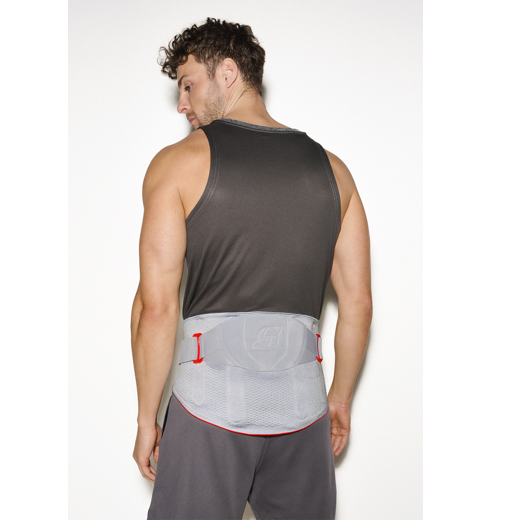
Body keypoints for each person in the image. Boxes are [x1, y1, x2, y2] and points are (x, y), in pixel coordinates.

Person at [131, 17, 372, 520]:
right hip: (303, 411)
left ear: (227, 73)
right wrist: (340, 399)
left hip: (207, 408)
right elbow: (358, 304)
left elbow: (156, 308)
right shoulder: (335, 171)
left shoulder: (176, 165)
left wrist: (147, 417)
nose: (182, 104)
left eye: (188, 85)